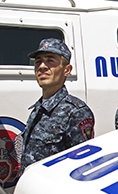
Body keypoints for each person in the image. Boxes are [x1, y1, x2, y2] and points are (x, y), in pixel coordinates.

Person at [19, 38, 94, 170]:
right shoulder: (38, 109)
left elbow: (83, 165)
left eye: (50, 60)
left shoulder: (76, 112)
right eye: (38, 62)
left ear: (67, 70)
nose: (42, 66)